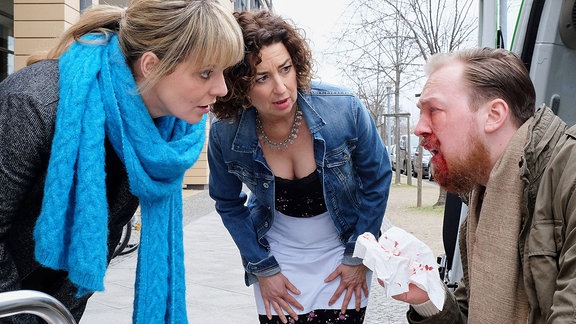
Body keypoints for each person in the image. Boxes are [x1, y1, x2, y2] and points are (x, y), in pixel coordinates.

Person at [0, 0, 243, 323]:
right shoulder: (33, 104)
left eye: (223, 72)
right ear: (151, 65)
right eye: (205, 73)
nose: (222, 88)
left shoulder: (162, 136)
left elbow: (101, 243)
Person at [208, 10, 392, 324]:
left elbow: (377, 177)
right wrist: (261, 266)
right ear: (238, 84)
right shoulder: (225, 133)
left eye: (285, 69)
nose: (281, 88)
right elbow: (227, 202)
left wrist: (359, 255)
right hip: (277, 253)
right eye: (262, 77)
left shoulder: (343, 108)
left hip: (342, 246)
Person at [392, 47, 576, 323]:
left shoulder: (568, 175)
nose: (419, 128)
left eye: (434, 110)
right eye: (421, 112)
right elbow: (471, 313)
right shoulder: (481, 194)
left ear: (494, 115)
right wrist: (428, 298)